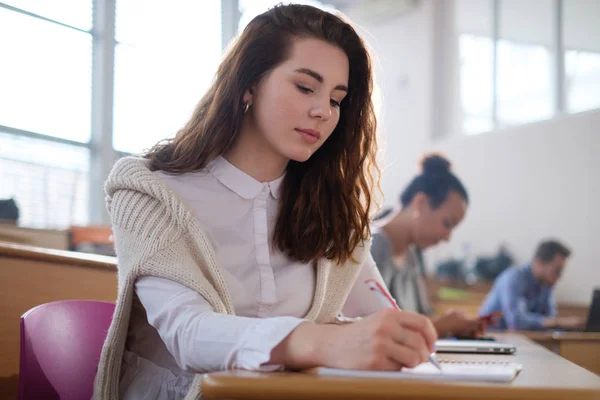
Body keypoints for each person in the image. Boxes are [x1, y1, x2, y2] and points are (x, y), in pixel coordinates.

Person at [94, 5, 438, 400]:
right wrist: (324, 342)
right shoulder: (150, 191)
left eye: (337, 99)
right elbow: (187, 333)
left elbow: (381, 314)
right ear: (249, 84)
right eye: (306, 87)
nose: (323, 111)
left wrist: (402, 337)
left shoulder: (331, 208)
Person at [371, 154, 484, 338]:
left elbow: (423, 316)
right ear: (420, 203)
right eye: (447, 223)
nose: (447, 237)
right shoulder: (371, 246)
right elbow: (370, 327)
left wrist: (454, 326)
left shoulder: (411, 256)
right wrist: (442, 325)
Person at [479, 240, 585, 331]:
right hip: (492, 339)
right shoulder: (513, 278)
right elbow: (516, 322)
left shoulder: (546, 284)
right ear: (539, 263)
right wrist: (559, 322)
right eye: (557, 270)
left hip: (518, 341)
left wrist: (557, 323)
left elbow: (549, 319)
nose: (559, 276)